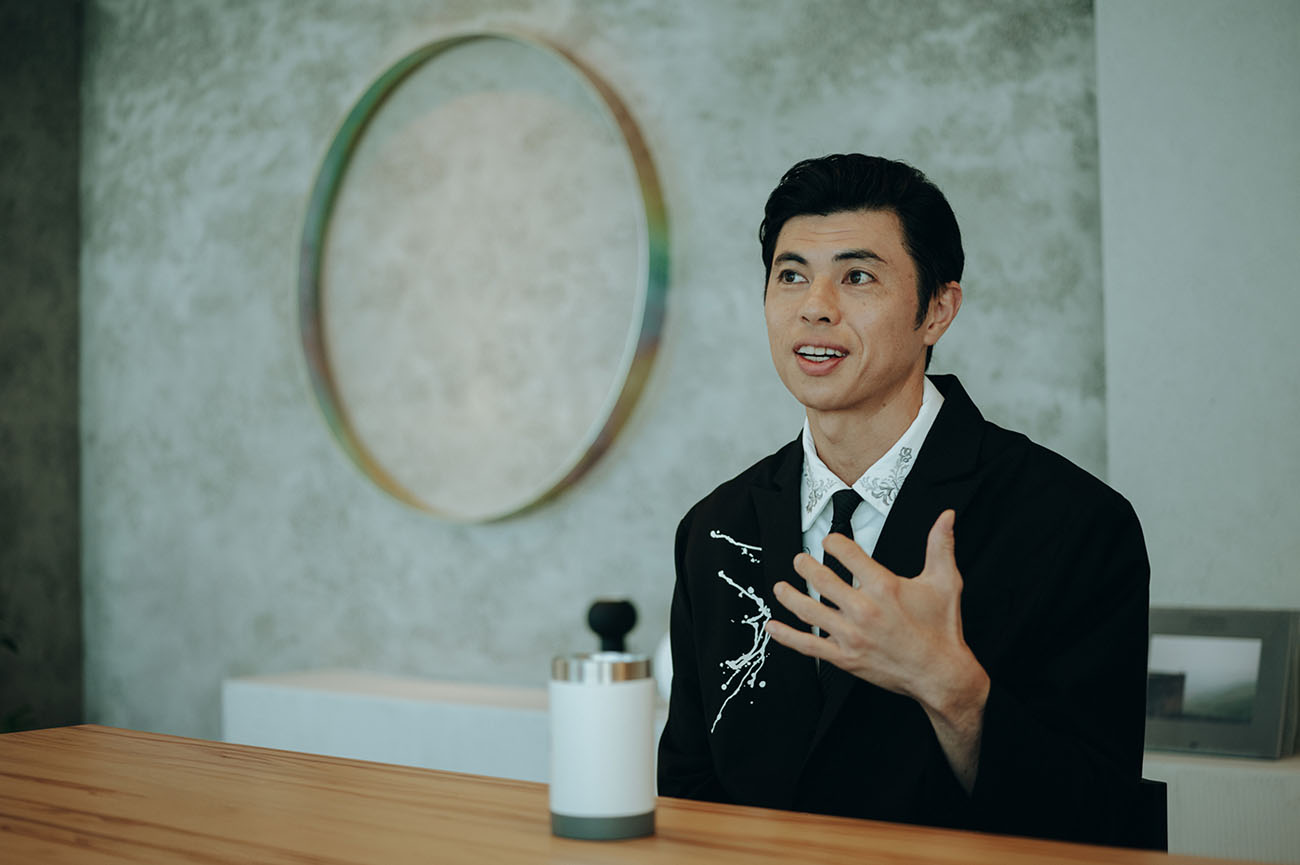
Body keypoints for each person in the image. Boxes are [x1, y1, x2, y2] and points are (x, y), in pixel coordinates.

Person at [657, 154, 1152, 847]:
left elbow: (1102, 820)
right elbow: (688, 790)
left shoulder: (1074, 522)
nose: (815, 306)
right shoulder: (715, 527)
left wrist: (951, 689)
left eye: (857, 277)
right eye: (791, 275)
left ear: (937, 311)